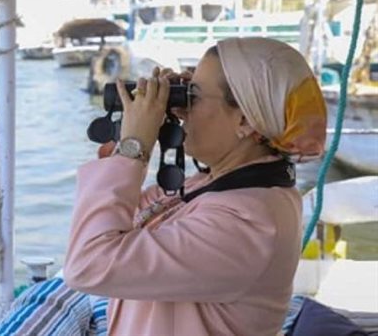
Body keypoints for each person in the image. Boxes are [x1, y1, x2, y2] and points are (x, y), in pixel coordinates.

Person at [64, 37, 327, 336]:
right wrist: (146, 126)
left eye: (194, 97)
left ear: (245, 120)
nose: (184, 108)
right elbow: (116, 221)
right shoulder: (218, 185)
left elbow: (88, 264)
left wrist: (134, 146)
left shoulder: (246, 224)